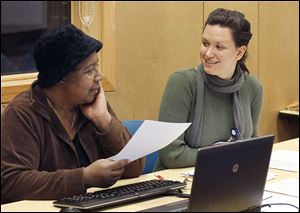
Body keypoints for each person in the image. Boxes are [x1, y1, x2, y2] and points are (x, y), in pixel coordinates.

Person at [1, 24, 144, 204]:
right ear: (61, 78)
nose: (99, 76)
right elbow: (12, 183)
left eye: (97, 67)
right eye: (89, 70)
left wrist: (104, 121)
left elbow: (134, 169)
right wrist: (84, 177)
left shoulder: (91, 103)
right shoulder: (22, 113)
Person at [156, 8, 263, 170]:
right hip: (178, 183)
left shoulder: (252, 87)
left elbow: (252, 145)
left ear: (239, 52)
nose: (208, 53)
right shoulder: (182, 83)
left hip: (229, 178)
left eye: (219, 47)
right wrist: (228, 154)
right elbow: (172, 155)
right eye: (205, 43)